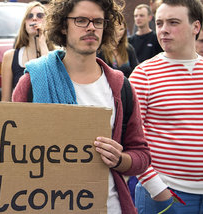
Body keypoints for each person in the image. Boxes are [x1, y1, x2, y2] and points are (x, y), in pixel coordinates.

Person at [12, 0, 151, 213]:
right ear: (63, 26)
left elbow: (141, 155)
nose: (91, 27)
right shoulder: (33, 82)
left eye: (98, 21)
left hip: (108, 206)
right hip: (46, 204)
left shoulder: (120, 86)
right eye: (81, 20)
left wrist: (119, 159)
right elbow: (11, 153)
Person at [129, 0, 203, 213]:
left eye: (173, 22)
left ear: (195, 27)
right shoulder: (144, 75)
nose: (164, 30)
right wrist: (157, 189)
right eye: (160, 23)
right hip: (165, 195)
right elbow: (130, 138)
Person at [1, 1, 54, 102]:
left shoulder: (57, 54)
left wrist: (42, 40)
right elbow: (5, 100)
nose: (34, 19)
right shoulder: (10, 56)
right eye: (29, 16)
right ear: (24, 24)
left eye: (40, 15)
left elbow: (51, 79)